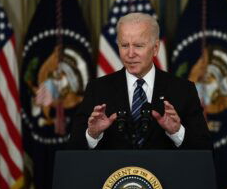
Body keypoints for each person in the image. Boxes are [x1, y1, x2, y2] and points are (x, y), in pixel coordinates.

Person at [70, 12, 212, 150]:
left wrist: (177, 132)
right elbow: (73, 148)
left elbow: (205, 149)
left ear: (155, 48)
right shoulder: (98, 89)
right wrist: (92, 135)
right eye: (124, 45)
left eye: (138, 46)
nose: (130, 54)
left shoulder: (183, 90)